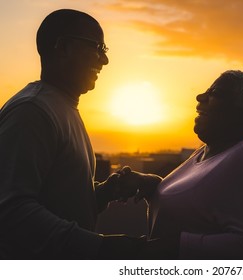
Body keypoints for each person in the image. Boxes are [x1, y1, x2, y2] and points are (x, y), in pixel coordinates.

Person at [0, 9, 160, 259]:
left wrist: (104, 192)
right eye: (98, 47)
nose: (104, 60)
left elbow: (55, 202)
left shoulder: (62, 107)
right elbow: (12, 210)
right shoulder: (32, 111)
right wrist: (102, 247)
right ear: (63, 47)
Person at [141, 70, 243, 259]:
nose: (200, 97)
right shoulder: (206, 151)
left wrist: (172, 246)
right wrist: (152, 186)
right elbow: (196, 204)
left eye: (215, 93)